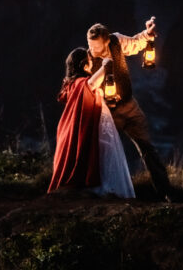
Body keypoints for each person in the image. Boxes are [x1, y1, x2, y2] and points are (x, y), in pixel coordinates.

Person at [86, 17, 172, 199]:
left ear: (107, 40)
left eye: (96, 46)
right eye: (90, 45)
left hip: (129, 105)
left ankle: (166, 193)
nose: (92, 50)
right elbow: (87, 85)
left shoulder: (116, 40)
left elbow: (135, 43)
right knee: (104, 151)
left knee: (148, 148)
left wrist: (147, 34)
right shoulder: (88, 59)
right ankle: (104, 193)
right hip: (107, 112)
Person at [47, 47, 134, 198]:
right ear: (83, 65)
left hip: (83, 125)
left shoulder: (73, 84)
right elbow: (91, 85)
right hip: (85, 126)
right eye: (89, 61)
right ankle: (89, 188)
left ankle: (92, 186)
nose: (91, 63)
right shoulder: (80, 83)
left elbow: (91, 92)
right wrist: (105, 66)